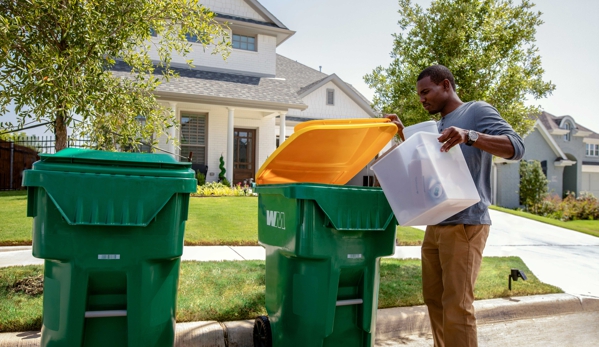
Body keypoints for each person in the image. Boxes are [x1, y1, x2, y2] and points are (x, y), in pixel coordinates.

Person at [386, 64, 525, 347]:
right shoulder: (436, 127)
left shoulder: (476, 111)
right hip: (435, 223)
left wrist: (470, 135)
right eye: (419, 95)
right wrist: (403, 134)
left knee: (457, 304)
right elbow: (429, 165)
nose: (422, 99)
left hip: (466, 222)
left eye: (426, 92)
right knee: (434, 300)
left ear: (446, 85)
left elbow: (516, 147)